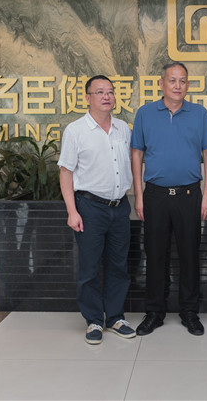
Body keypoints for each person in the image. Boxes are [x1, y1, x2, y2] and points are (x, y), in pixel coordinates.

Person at [131, 62, 207, 336]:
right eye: (172, 80)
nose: (177, 85)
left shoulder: (199, 114)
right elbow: (136, 154)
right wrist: (139, 195)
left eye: (182, 81)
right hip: (155, 195)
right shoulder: (145, 114)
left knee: (190, 254)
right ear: (161, 83)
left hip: (189, 195)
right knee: (155, 255)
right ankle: (154, 312)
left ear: (187, 85)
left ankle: (189, 311)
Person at [58, 75, 136, 344]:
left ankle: (115, 317)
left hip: (119, 207)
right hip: (89, 207)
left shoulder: (123, 128)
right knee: (90, 267)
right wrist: (72, 211)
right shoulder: (76, 131)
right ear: (87, 98)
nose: (106, 96)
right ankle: (93, 320)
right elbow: (66, 172)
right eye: (100, 92)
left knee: (118, 265)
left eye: (110, 92)